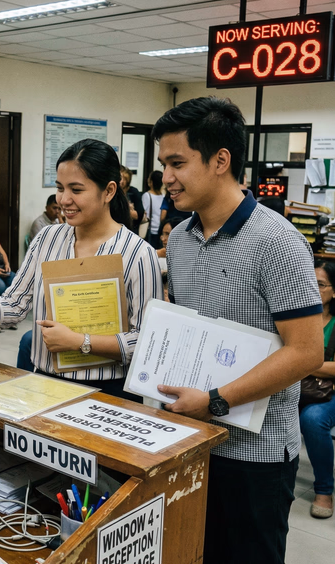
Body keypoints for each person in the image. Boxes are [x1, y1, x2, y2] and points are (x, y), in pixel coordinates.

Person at [153, 96, 323, 564]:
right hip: (192, 440)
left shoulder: (277, 240)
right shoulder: (181, 241)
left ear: (220, 161)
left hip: (257, 456)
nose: (166, 177)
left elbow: (306, 352)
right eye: (163, 164)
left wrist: (216, 400)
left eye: (177, 163)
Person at [0, 139, 162, 400]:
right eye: (60, 188)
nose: (64, 200)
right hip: (45, 386)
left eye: (76, 189)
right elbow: (13, 306)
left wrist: (80, 343)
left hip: (108, 395)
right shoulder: (47, 239)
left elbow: (146, 343)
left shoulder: (138, 253)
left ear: (108, 191)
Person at [300, 260, 335, 519]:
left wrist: (301, 363)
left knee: (312, 419)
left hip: (330, 393)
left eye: (321, 284)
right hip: (299, 386)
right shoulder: (298, 317)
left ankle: (324, 490)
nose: (313, 287)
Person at [141, 171, 164, 248]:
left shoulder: (147, 195)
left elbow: (145, 213)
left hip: (150, 229)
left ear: (151, 182)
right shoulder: (163, 196)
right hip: (160, 230)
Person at [119, 165, 144, 235]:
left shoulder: (133, 192)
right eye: (120, 178)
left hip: (132, 229)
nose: (122, 181)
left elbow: (138, 215)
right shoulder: (114, 192)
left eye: (125, 179)